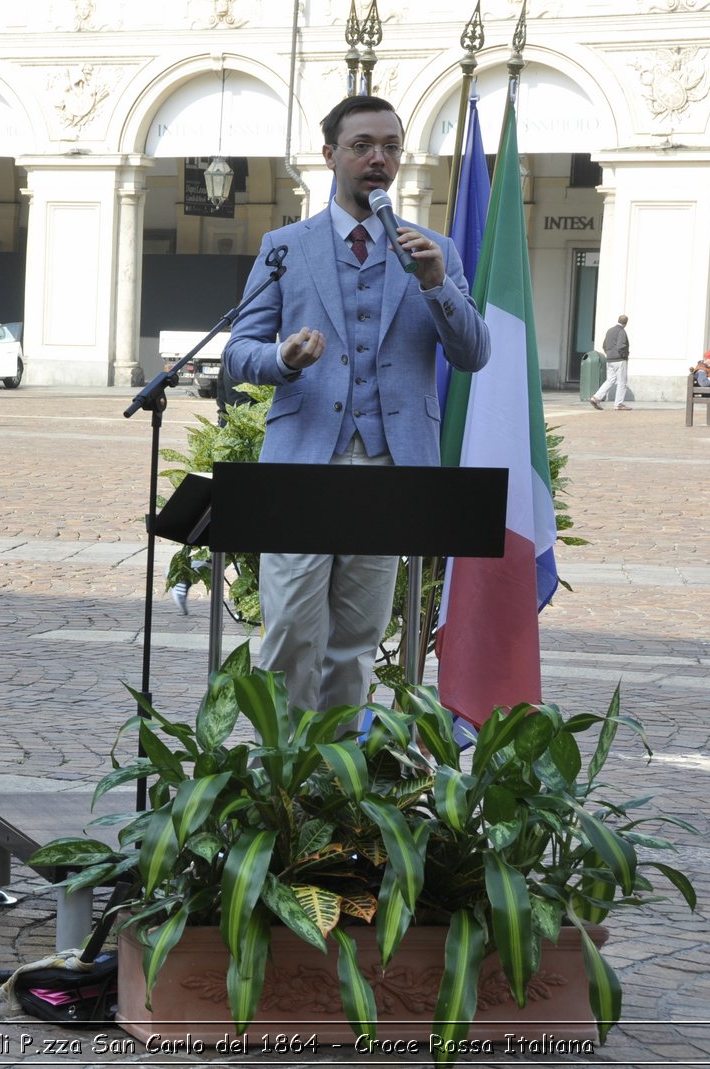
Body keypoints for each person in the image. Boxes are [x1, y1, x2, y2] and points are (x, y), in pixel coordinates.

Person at [222, 93, 490, 714]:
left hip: (389, 467)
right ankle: (281, 778)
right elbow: (239, 352)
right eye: (363, 145)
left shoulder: (435, 251)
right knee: (290, 628)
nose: (378, 159)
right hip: (302, 462)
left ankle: (336, 784)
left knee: (358, 638)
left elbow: (474, 354)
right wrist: (281, 360)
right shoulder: (286, 246)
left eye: (391, 147)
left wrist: (435, 287)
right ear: (330, 155)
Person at [589, 314, 630, 410]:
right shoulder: (622, 331)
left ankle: (596, 397)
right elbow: (621, 346)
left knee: (610, 380)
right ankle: (618, 404)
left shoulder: (610, 331)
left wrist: (609, 353)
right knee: (622, 382)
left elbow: (604, 345)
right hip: (619, 360)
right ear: (626, 323)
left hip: (610, 360)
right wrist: (624, 355)